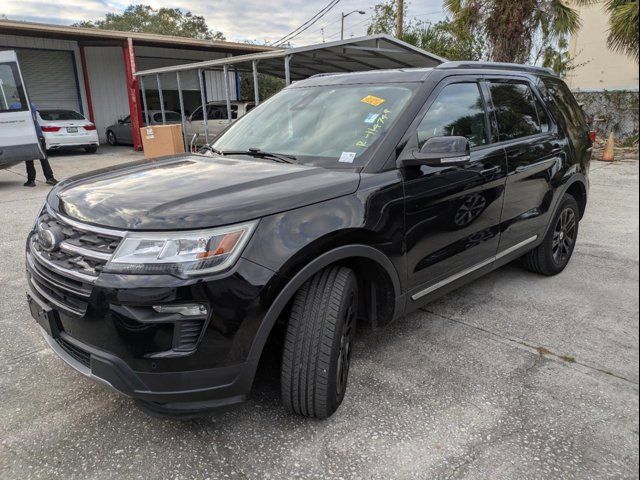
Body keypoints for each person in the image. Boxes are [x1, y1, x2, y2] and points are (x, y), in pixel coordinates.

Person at [23, 102, 58, 187]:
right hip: (38, 135)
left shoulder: (15, 106)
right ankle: (50, 178)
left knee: (29, 159)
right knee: (43, 158)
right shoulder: (32, 105)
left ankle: (31, 181)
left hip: (28, 136)